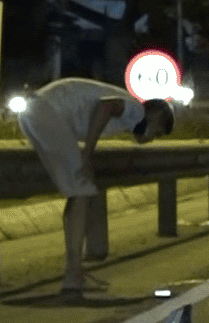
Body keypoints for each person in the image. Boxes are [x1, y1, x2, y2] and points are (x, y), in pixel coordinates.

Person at [17, 77, 175, 293]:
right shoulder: (135, 110)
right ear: (157, 115)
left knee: (78, 191)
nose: (149, 140)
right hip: (48, 111)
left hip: (33, 111)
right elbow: (105, 106)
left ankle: (75, 271)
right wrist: (87, 153)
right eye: (156, 132)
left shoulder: (127, 113)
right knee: (82, 189)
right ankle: (73, 275)